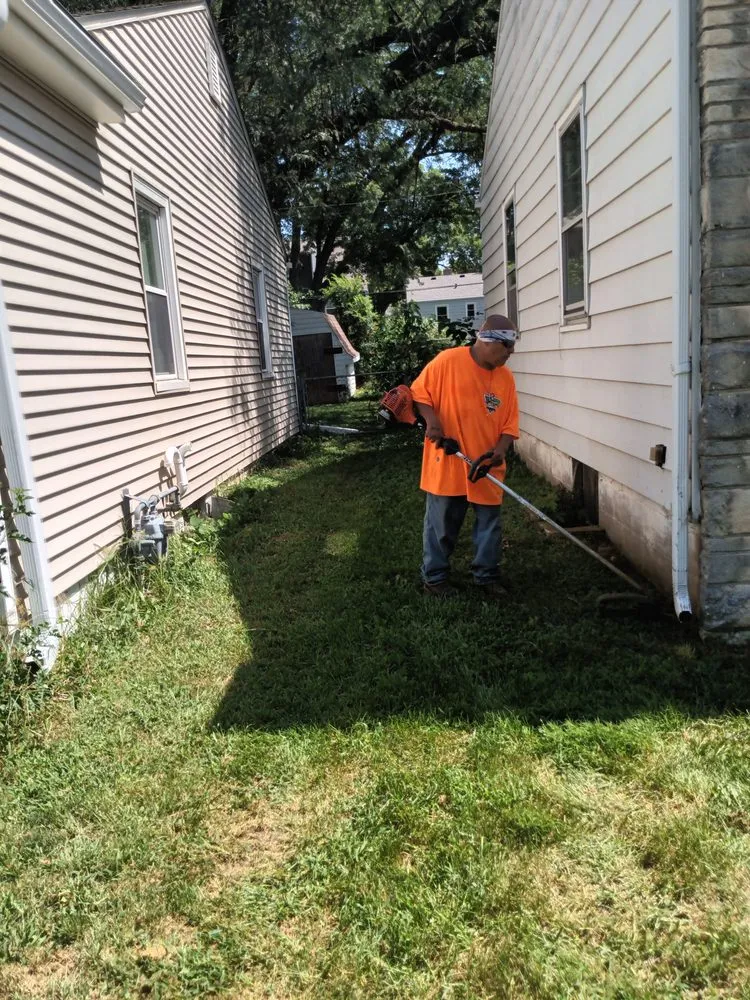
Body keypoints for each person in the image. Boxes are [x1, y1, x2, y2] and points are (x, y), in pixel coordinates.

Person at [409, 314, 520, 598]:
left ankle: (486, 576)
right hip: (448, 459)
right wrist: (432, 421)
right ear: (487, 341)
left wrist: (500, 451)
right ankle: (434, 579)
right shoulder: (448, 361)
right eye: (507, 346)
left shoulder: (505, 378)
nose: (511, 352)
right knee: (441, 526)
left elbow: (509, 422)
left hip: (485, 465)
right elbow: (419, 393)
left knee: (489, 525)